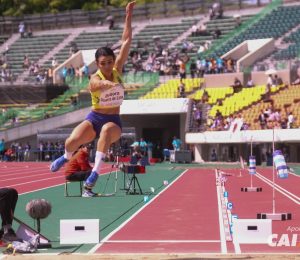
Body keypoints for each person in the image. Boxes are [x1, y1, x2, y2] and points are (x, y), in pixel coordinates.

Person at [50, 1, 135, 197]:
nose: (107, 66)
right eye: (103, 63)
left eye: (110, 62)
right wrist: (109, 85)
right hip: (94, 117)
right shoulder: (95, 77)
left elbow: (126, 41)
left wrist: (128, 15)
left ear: (114, 62)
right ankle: (65, 156)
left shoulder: (117, 69)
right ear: (97, 64)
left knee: (106, 131)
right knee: (72, 141)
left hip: (113, 121)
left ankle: (96, 172)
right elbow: (94, 86)